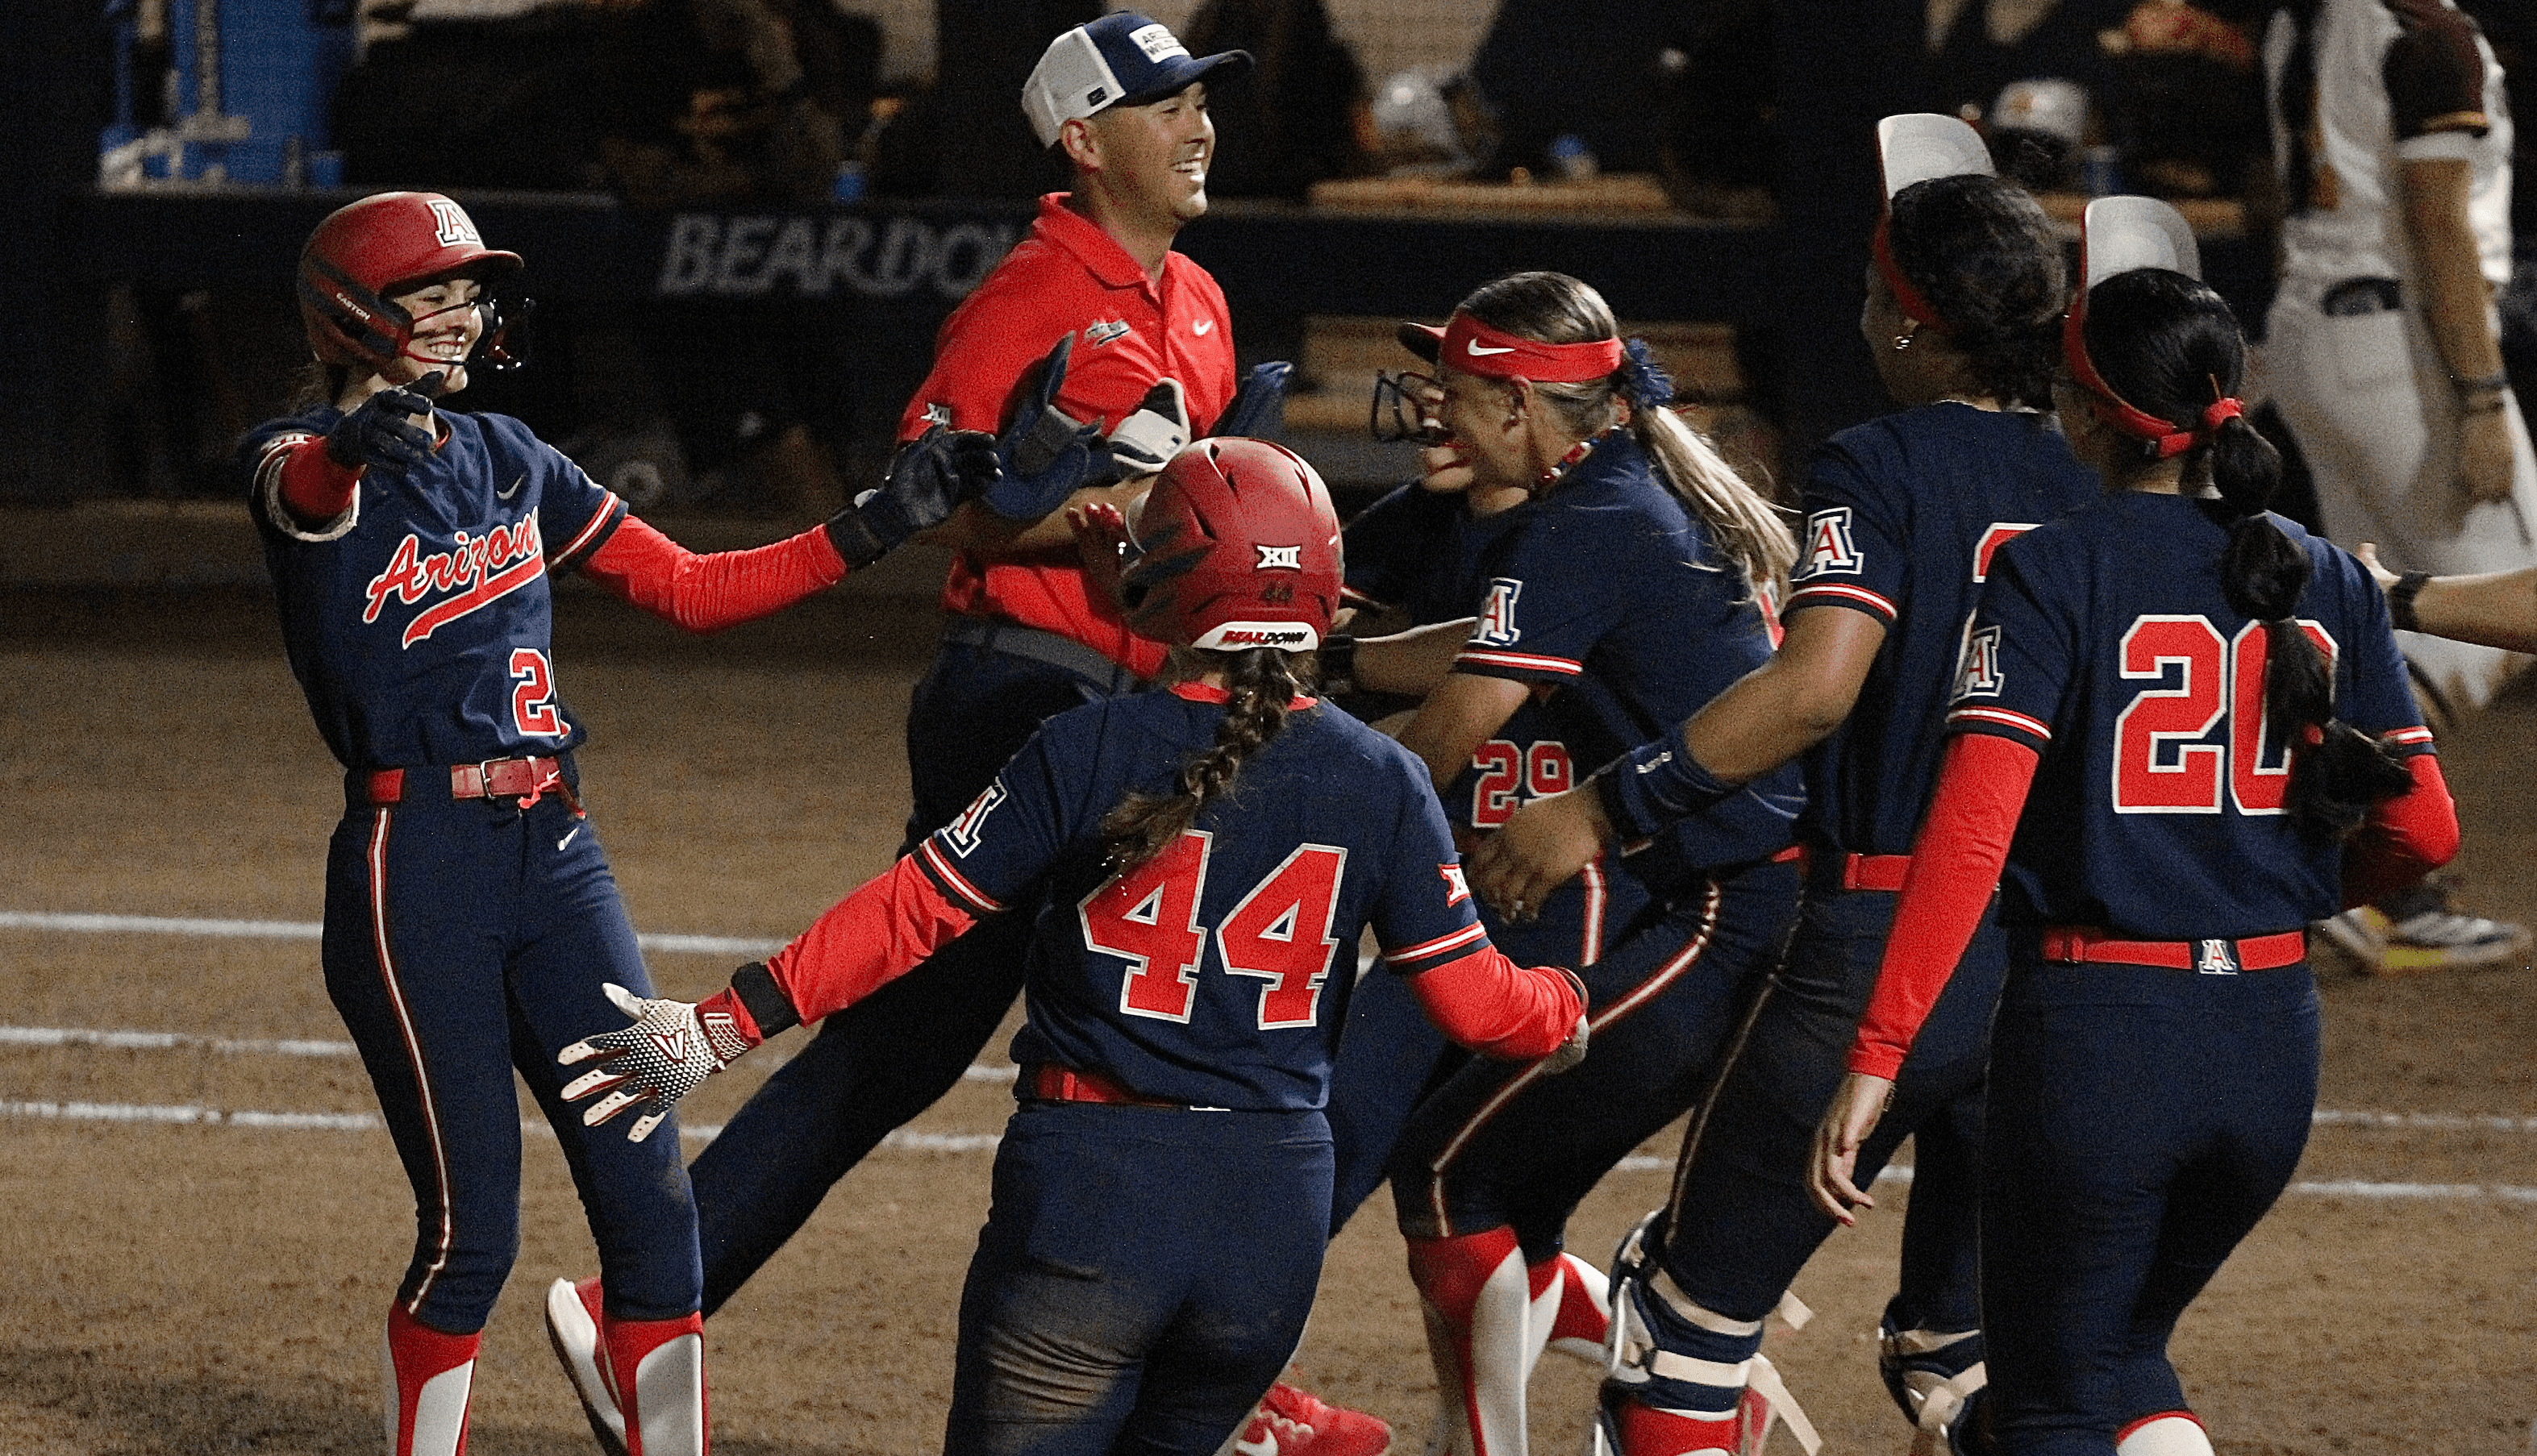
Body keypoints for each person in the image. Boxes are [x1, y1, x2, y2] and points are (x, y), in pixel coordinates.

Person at [539, 15, 1387, 1454]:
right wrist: (1115, 520)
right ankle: (651, 1314)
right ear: (1082, 137)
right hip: (1026, 690)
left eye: (1201, 103)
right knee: (1081, 1024)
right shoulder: (1032, 295)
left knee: (948, 1038)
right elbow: (957, 498)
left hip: (1133, 697)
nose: (1200, 128)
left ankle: (654, 1314)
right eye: (1166, 104)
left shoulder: (1193, 294)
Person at [552, 439, 1590, 1456]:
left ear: (1166, 584)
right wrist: (1561, 1008)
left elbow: (914, 912)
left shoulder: (1086, 745)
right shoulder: (1382, 777)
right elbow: (1474, 1006)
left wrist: (717, 1029)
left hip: (1093, 1202)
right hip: (1268, 1223)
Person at [243, 189, 990, 1456]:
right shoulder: (298, 463)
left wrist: (875, 524)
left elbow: (694, 588)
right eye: (434, 292)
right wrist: (361, 442)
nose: (464, 314)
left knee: (655, 1216)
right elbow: (303, 487)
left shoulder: (514, 459)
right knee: (470, 1234)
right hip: (412, 866)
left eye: (468, 291)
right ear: (354, 316)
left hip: (555, 862)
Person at [1470, 114, 2091, 1456]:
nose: (1863, 315)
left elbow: (1814, 688)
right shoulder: (2098, 477)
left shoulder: (1880, 461)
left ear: (1918, 330)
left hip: (1883, 941)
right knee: (1972, 1353)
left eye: (1877, 296)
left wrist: (1602, 804)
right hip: (2064, 970)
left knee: (1680, 1340)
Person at [1810, 198, 2460, 1455]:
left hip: (2099, 1051)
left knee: (2049, 1403)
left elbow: (1969, 836)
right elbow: (2420, 833)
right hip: (2270, 1049)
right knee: (2113, 1358)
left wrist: (1879, 1048)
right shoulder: (2321, 572)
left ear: (2087, 411)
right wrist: (2279, 886)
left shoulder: (2056, 568)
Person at [1330, 270, 1805, 1456]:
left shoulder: (1595, 516)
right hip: (1706, 887)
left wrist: (1325, 835)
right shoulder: (1606, 495)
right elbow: (1488, 639)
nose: (1433, 408)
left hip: (1724, 906)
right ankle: (1683, 1378)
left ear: (1516, 413)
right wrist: (1336, 661)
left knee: (1446, 1174)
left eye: (1456, 390)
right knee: (1492, 1185)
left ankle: (1583, 1410)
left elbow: (1458, 721)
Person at [2246, 0, 2533, 971]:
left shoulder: (2309, 18)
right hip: (2396, 342)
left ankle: (2385, 891)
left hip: (2315, 329)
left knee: (2377, 609)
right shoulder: (2425, 29)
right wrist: (2482, 397)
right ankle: (2307, 839)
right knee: (2515, 597)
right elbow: (2434, 223)